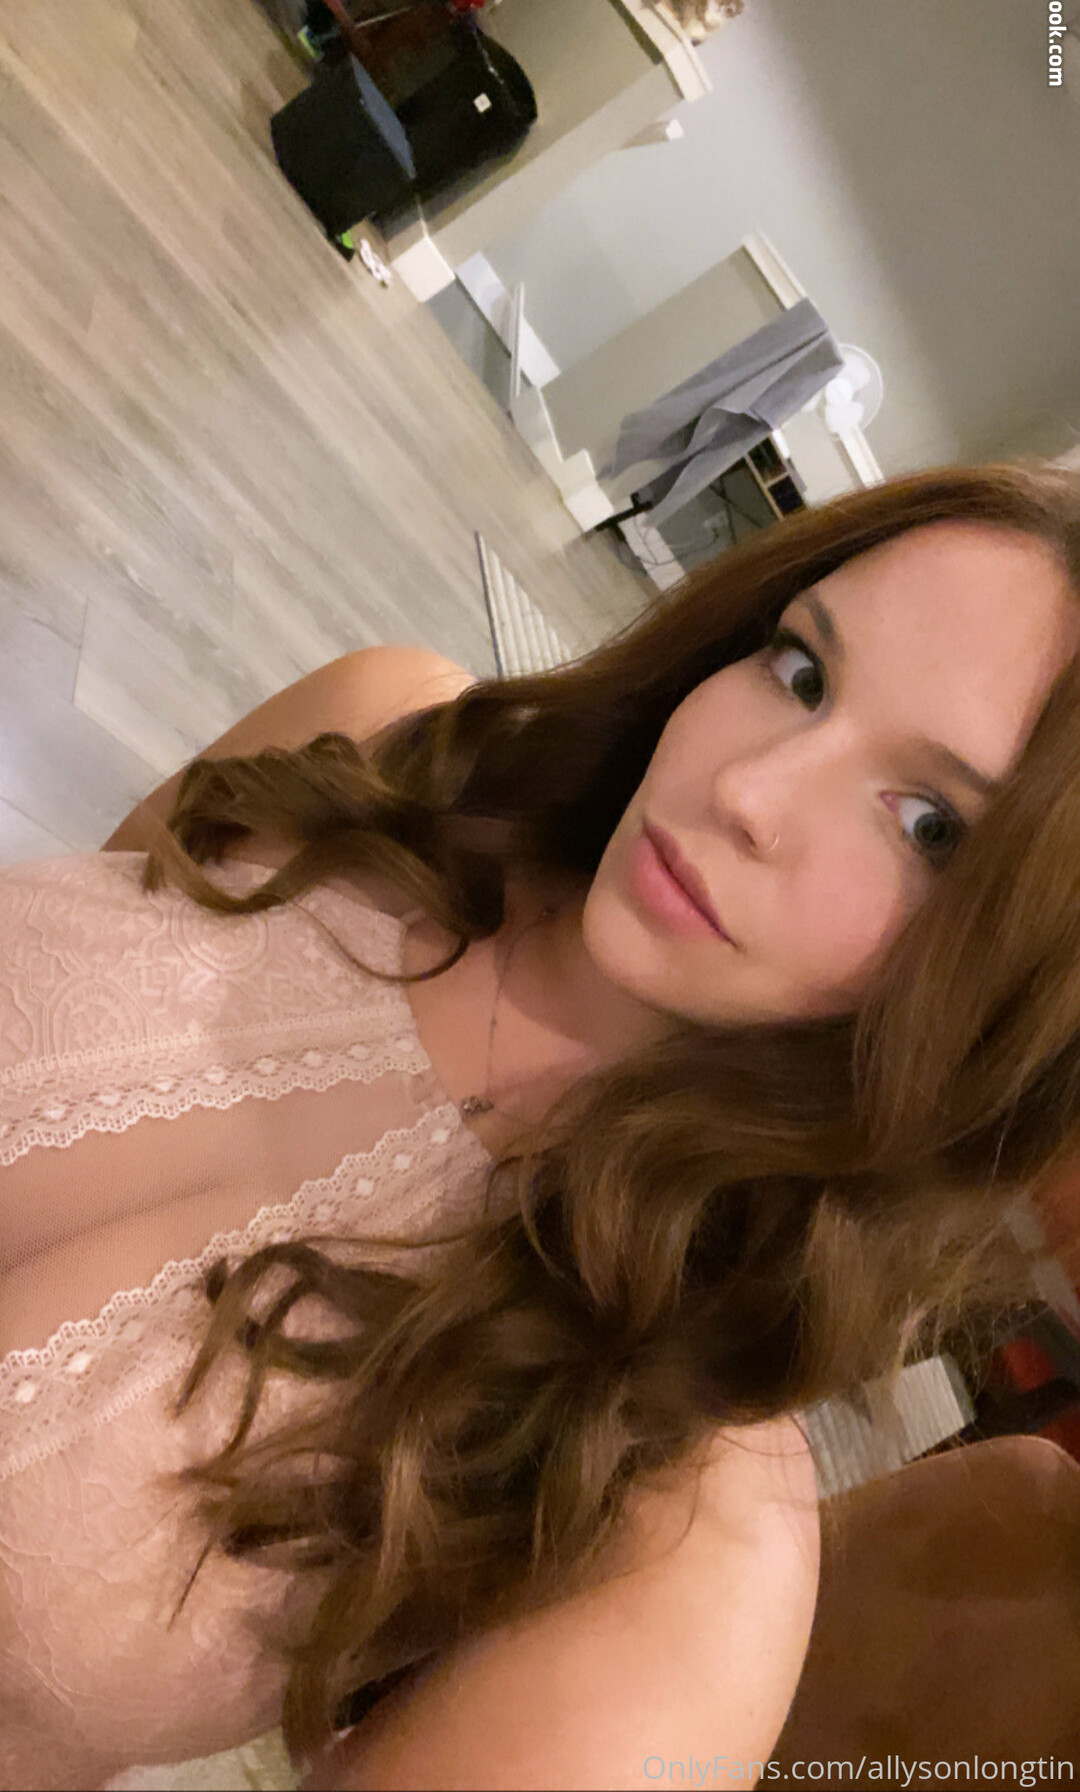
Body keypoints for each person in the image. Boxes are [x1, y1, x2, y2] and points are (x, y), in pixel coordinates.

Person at [3, 462, 1080, 1790]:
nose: (750, 790)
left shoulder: (673, 1524)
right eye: (802, 670)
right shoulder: (387, 743)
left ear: (1017, 1002)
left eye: (928, 828)